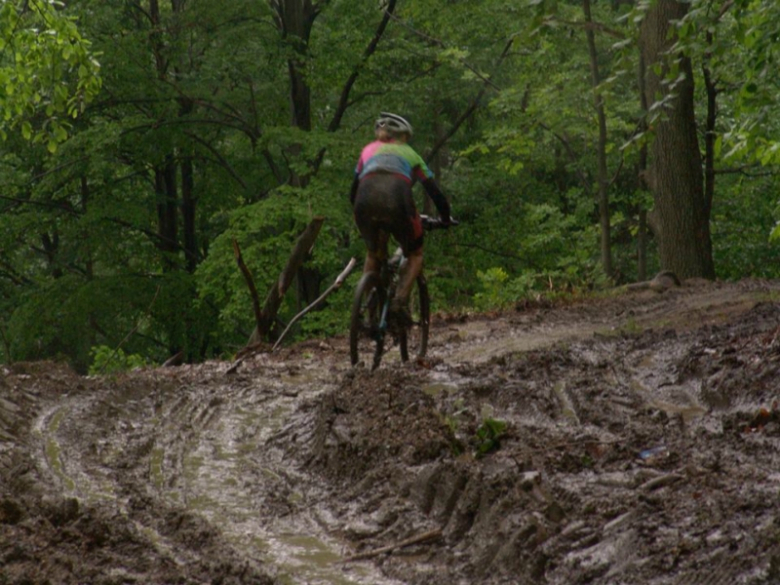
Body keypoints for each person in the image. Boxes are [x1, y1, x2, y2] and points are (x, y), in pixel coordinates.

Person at [349, 112, 452, 323]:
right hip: (397, 203)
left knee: (373, 253)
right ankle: (399, 303)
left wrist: (363, 217)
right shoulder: (410, 154)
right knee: (415, 253)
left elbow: (353, 190)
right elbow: (434, 192)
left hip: (363, 204)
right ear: (403, 136)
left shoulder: (367, 151)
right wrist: (445, 217)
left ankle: (366, 307)